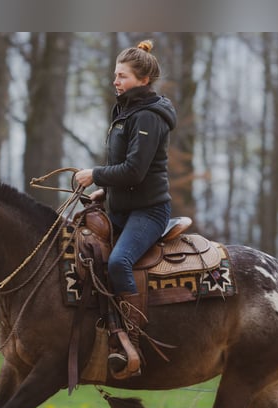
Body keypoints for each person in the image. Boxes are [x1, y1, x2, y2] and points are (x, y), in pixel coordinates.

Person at [75, 39, 177, 379]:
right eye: (115, 75)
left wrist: (94, 175)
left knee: (119, 262)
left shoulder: (149, 115)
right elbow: (125, 170)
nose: (116, 82)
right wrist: (103, 190)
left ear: (143, 80)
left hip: (148, 212)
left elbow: (135, 171)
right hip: (120, 206)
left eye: (122, 76)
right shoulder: (127, 111)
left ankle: (132, 343)